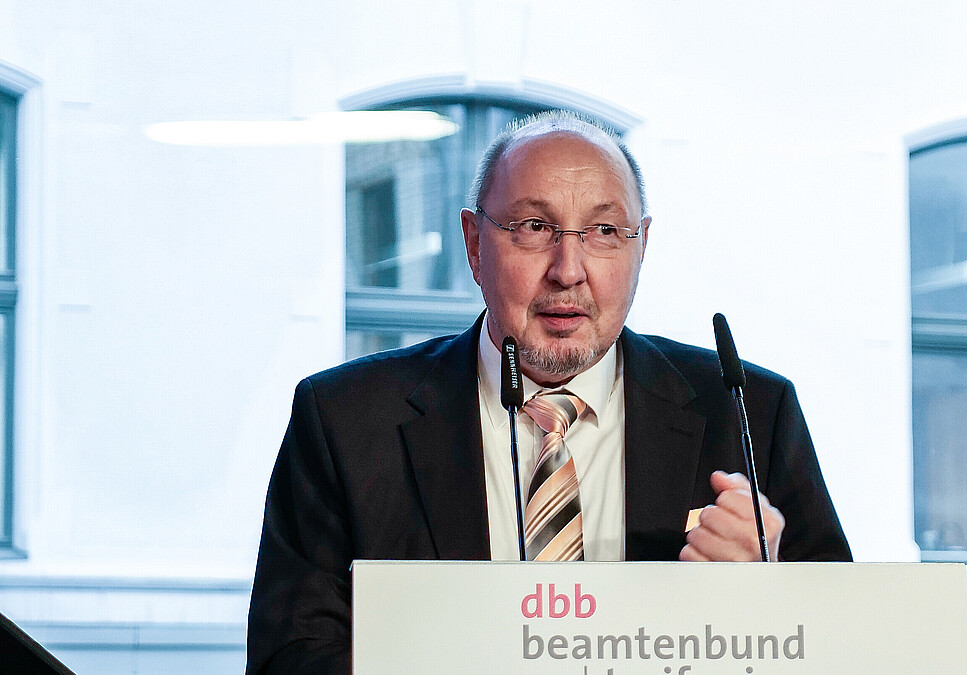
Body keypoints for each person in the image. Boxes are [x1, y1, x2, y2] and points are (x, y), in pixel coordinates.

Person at [246, 111, 851, 675]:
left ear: (641, 247)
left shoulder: (749, 411)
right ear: (474, 243)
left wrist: (772, 595)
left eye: (604, 231)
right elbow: (289, 660)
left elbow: (846, 648)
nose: (568, 269)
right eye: (535, 228)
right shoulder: (345, 423)